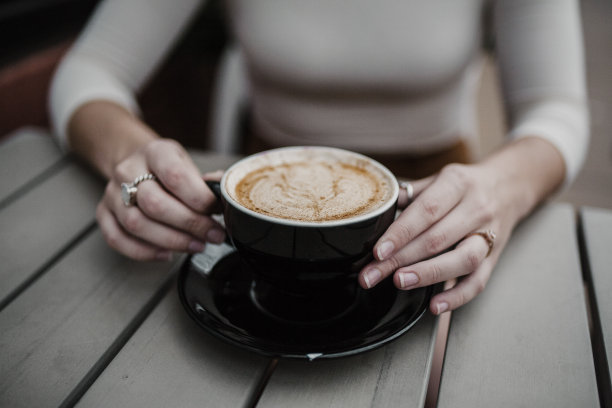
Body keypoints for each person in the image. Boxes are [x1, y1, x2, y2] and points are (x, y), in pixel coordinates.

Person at [49, 0, 588, 315]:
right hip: (263, 219)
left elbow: (557, 107)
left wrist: (501, 188)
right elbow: (89, 70)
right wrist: (130, 156)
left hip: (433, 212)